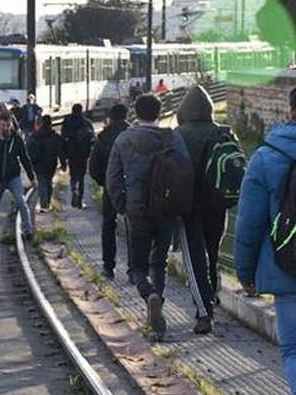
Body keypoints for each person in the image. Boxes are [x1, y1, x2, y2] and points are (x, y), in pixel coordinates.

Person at [106, 94, 188, 340]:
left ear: (135, 112)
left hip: (137, 210)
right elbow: (185, 171)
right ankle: (158, 313)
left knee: (138, 265)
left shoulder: (124, 139)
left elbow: (112, 178)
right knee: (159, 262)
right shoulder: (172, 137)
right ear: (160, 113)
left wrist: (123, 205)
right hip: (166, 210)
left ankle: (148, 293)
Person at [236, 88, 296, 393]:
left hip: (287, 272)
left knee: (294, 350)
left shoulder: (267, 156)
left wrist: (245, 275)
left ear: (290, 112)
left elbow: (248, 224)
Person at [175, 85, 232, 334]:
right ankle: (214, 293)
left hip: (188, 206)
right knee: (213, 252)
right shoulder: (224, 132)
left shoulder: (178, 135)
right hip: (218, 205)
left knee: (195, 258)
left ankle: (203, 312)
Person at [89, 104, 130, 280]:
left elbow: (93, 167)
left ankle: (108, 266)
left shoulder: (103, 137)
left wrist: (104, 182)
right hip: (131, 188)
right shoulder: (133, 135)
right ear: (126, 115)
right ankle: (133, 269)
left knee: (108, 226)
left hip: (110, 188)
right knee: (133, 228)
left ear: (111, 117)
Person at [0, 113, 37, 242]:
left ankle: (27, 229)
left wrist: (31, 176)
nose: (6, 128)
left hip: (13, 176)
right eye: (3, 125)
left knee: (21, 201)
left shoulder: (16, 139)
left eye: (8, 125)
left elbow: (24, 157)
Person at [27, 114, 66, 212]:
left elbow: (29, 148)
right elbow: (60, 151)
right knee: (48, 182)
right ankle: (47, 202)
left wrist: (31, 161)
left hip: (38, 163)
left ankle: (44, 204)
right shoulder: (55, 136)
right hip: (51, 163)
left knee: (42, 183)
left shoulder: (35, 135)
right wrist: (63, 163)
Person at [62, 103, 95, 209]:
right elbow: (92, 139)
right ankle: (80, 200)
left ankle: (74, 190)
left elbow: (63, 137)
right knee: (81, 177)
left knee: (73, 175)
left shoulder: (67, 122)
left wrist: (64, 154)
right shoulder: (87, 123)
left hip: (71, 154)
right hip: (83, 154)